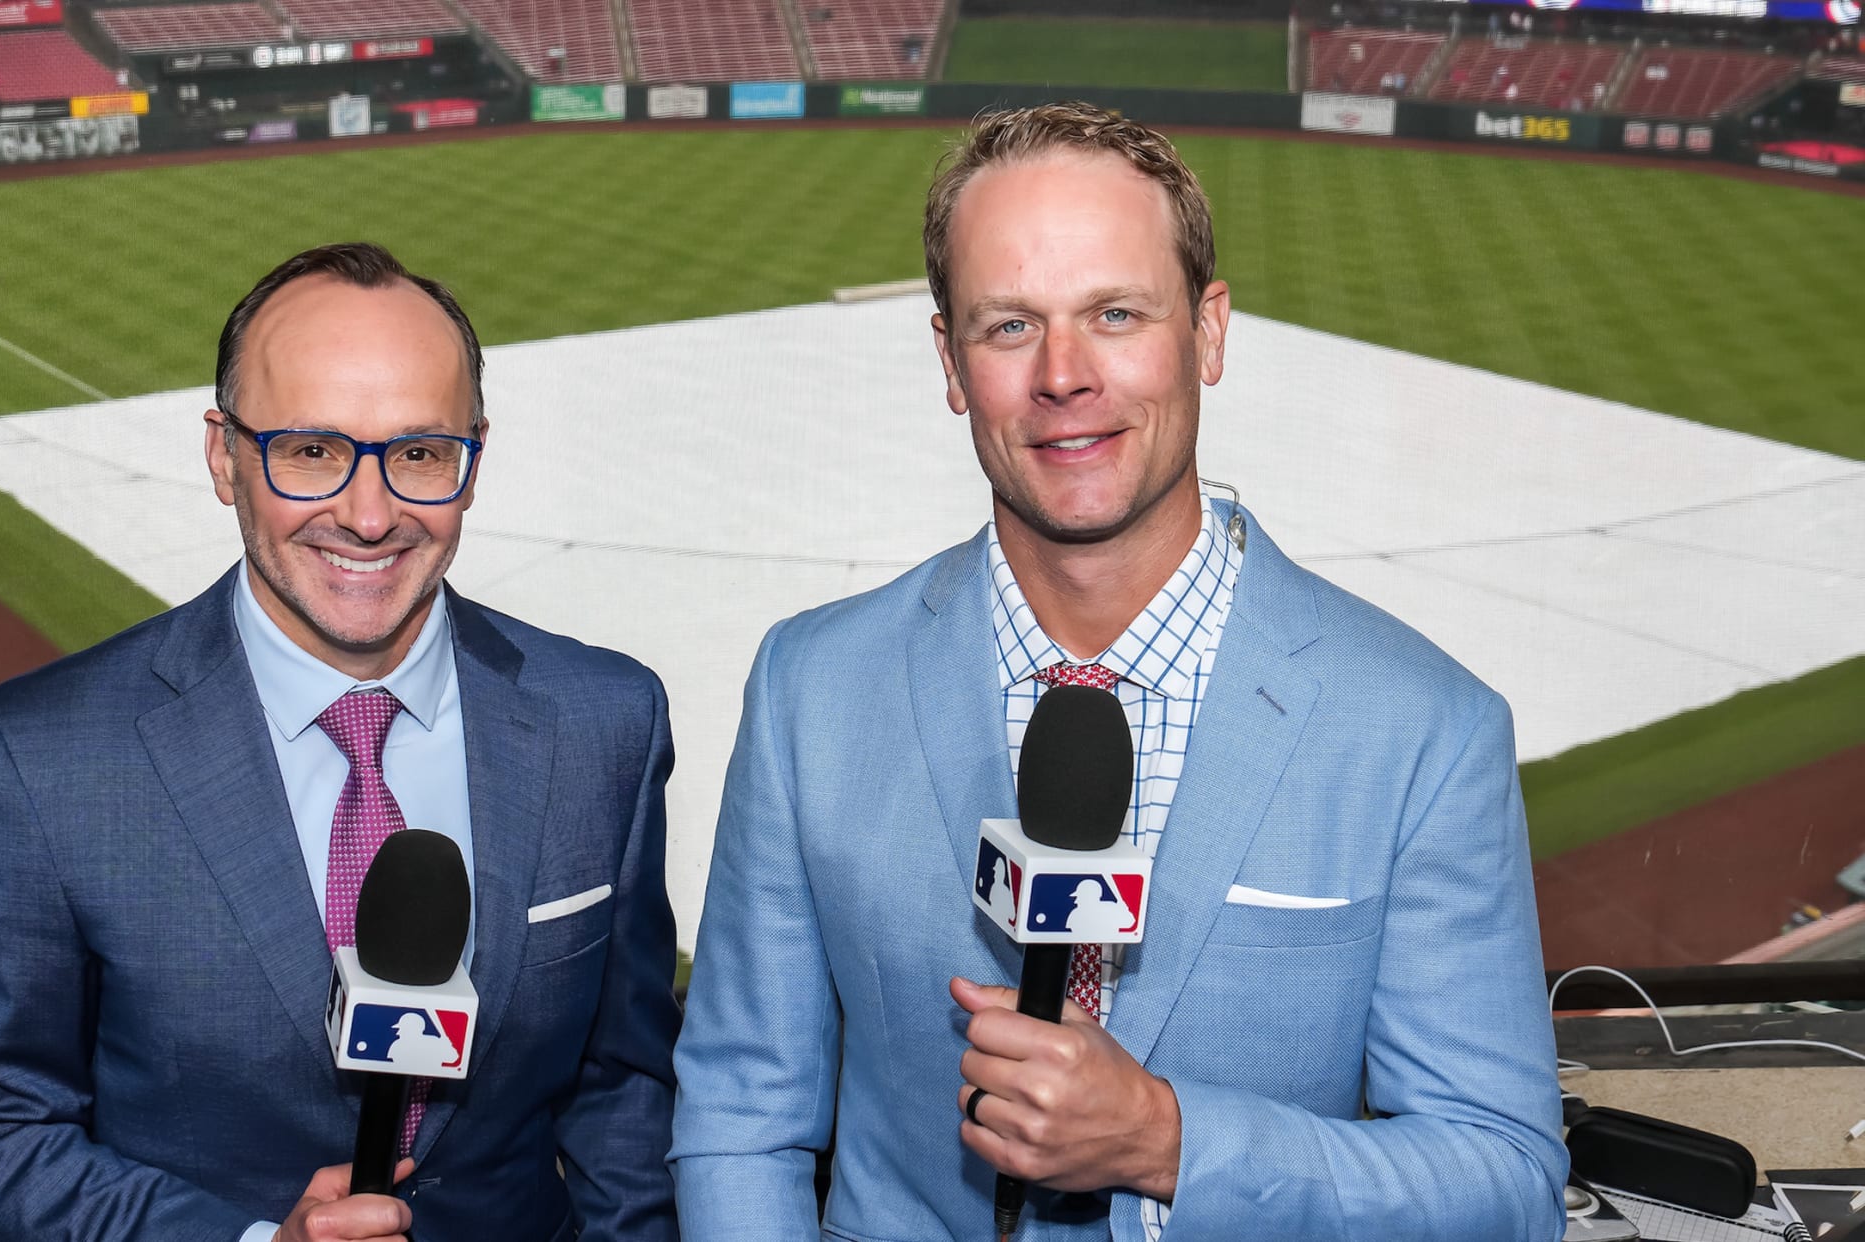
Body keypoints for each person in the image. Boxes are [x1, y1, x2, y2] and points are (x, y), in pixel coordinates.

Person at [670, 104, 1564, 1241]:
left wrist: (1166, 1141)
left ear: (1210, 333)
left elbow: (1504, 1183)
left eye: (1115, 314)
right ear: (951, 362)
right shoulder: (813, 688)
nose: (1064, 376)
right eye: (1009, 328)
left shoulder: (1421, 730)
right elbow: (742, 1113)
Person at [0, 242, 681, 1242]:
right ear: (223, 455)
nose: (369, 515)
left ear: (472, 460)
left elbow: (626, 1086)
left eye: (419, 453)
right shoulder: (50, 755)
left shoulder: (605, 721)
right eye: (312, 451)